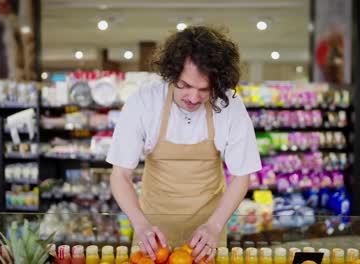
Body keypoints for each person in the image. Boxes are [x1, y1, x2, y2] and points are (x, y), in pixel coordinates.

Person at [107, 26, 261, 263]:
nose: (193, 97)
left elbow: (242, 176)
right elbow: (120, 175)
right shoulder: (144, 102)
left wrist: (214, 226)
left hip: (209, 229)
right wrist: (140, 224)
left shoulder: (230, 105)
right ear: (171, 73)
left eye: (204, 90)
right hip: (152, 230)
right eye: (185, 86)